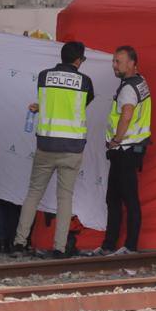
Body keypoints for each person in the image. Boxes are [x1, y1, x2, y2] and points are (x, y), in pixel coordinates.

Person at [12, 41, 94, 259]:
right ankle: (59, 248)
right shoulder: (85, 81)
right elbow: (79, 104)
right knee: (65, 198)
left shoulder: (44, 76)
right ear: (79, 60)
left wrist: (41, 108)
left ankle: (19, 243)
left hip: (46, 145)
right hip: (72, 147)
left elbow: (51, 102)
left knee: (33, 193)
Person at [99, 46, 152, 256]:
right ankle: (110, 245)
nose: (114, 65)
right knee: (117, 197)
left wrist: (116, 140)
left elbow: (127, 114)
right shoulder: (140, 81)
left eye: (118, 62)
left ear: (131, 63)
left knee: (123, 199)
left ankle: (128, 247)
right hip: (132, 148)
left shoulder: (129, 88)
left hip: (125, 148)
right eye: (113, 61)